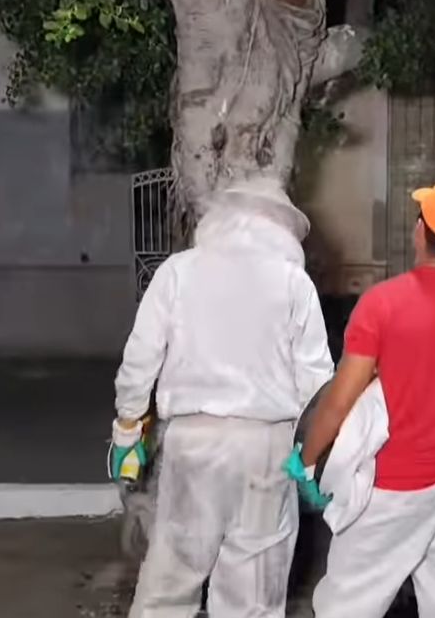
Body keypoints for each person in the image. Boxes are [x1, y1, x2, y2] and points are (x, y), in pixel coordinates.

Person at [288, 178, 435, 618]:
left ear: (421, 230)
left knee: (347, 606)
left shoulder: (383, 304)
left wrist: (308, 458)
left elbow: (342, 396)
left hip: (393, 488)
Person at [110, 180, 334, 617]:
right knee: (252, 593)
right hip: (266, 446)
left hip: (192, 441)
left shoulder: (178, 271)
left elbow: (140, 358)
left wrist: (127, 428)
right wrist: (313, 457)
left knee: (171, 575)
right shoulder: (293, 282)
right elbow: (317, 382)